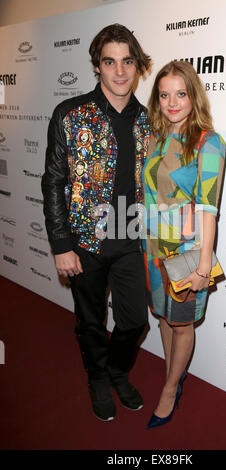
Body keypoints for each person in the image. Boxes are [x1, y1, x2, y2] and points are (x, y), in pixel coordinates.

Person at [41, 24, 152, 422]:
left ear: (138, 66)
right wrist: (60, 244)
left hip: (129, 236)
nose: (119, 71)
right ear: (97, 66)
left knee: (135, 318)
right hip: (84, 242)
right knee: (90, 322)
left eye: (127, 61)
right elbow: (54, 181)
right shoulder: (70, 114)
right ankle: (97, 379)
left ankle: (117, 371)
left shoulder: (148, 120)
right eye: (110, 62)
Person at [142, 60, 226, 428]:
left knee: (182, 324)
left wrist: (204, 266)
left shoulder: (208, 143)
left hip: (186, 253)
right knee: (163, 317)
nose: (172, 102)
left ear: (194, 95)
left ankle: (169, 389)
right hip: (152, 248)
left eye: (180, 93)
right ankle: (172, 374)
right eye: (164, 95)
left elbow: (209, 210)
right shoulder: (153, 138)